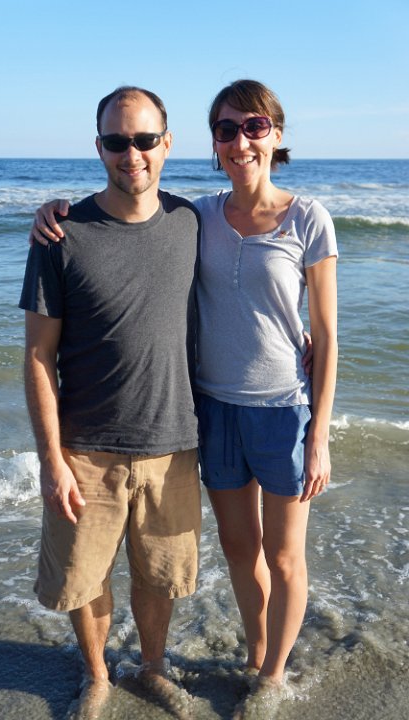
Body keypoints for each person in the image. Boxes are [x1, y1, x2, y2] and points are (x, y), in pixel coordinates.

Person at [31, 79, 337, 708]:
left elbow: (316, 329)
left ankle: (256, 675)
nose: (240, 140)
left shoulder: (257, 218)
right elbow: (43, 349)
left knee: (240, 562)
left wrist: (319, 428)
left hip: (237, 421)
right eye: (226, 129)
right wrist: (52, 210)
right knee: (211, 555)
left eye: (254, 126)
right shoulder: (176, 218)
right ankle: (138, 672)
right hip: (174, 420)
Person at [19, 86, 201, 717]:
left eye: (145, 140)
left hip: (173, 444)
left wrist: (302, 334)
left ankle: (152, 668)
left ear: (167, 144)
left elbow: (257, 266)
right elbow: (38, 355)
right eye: (118, 141)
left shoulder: (193, 222)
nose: (133, 154)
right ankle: (96, 675)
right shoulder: (60, 234)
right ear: (99, 147)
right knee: (83, 577)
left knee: (160, 576)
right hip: (85, 450)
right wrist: (51, 459)